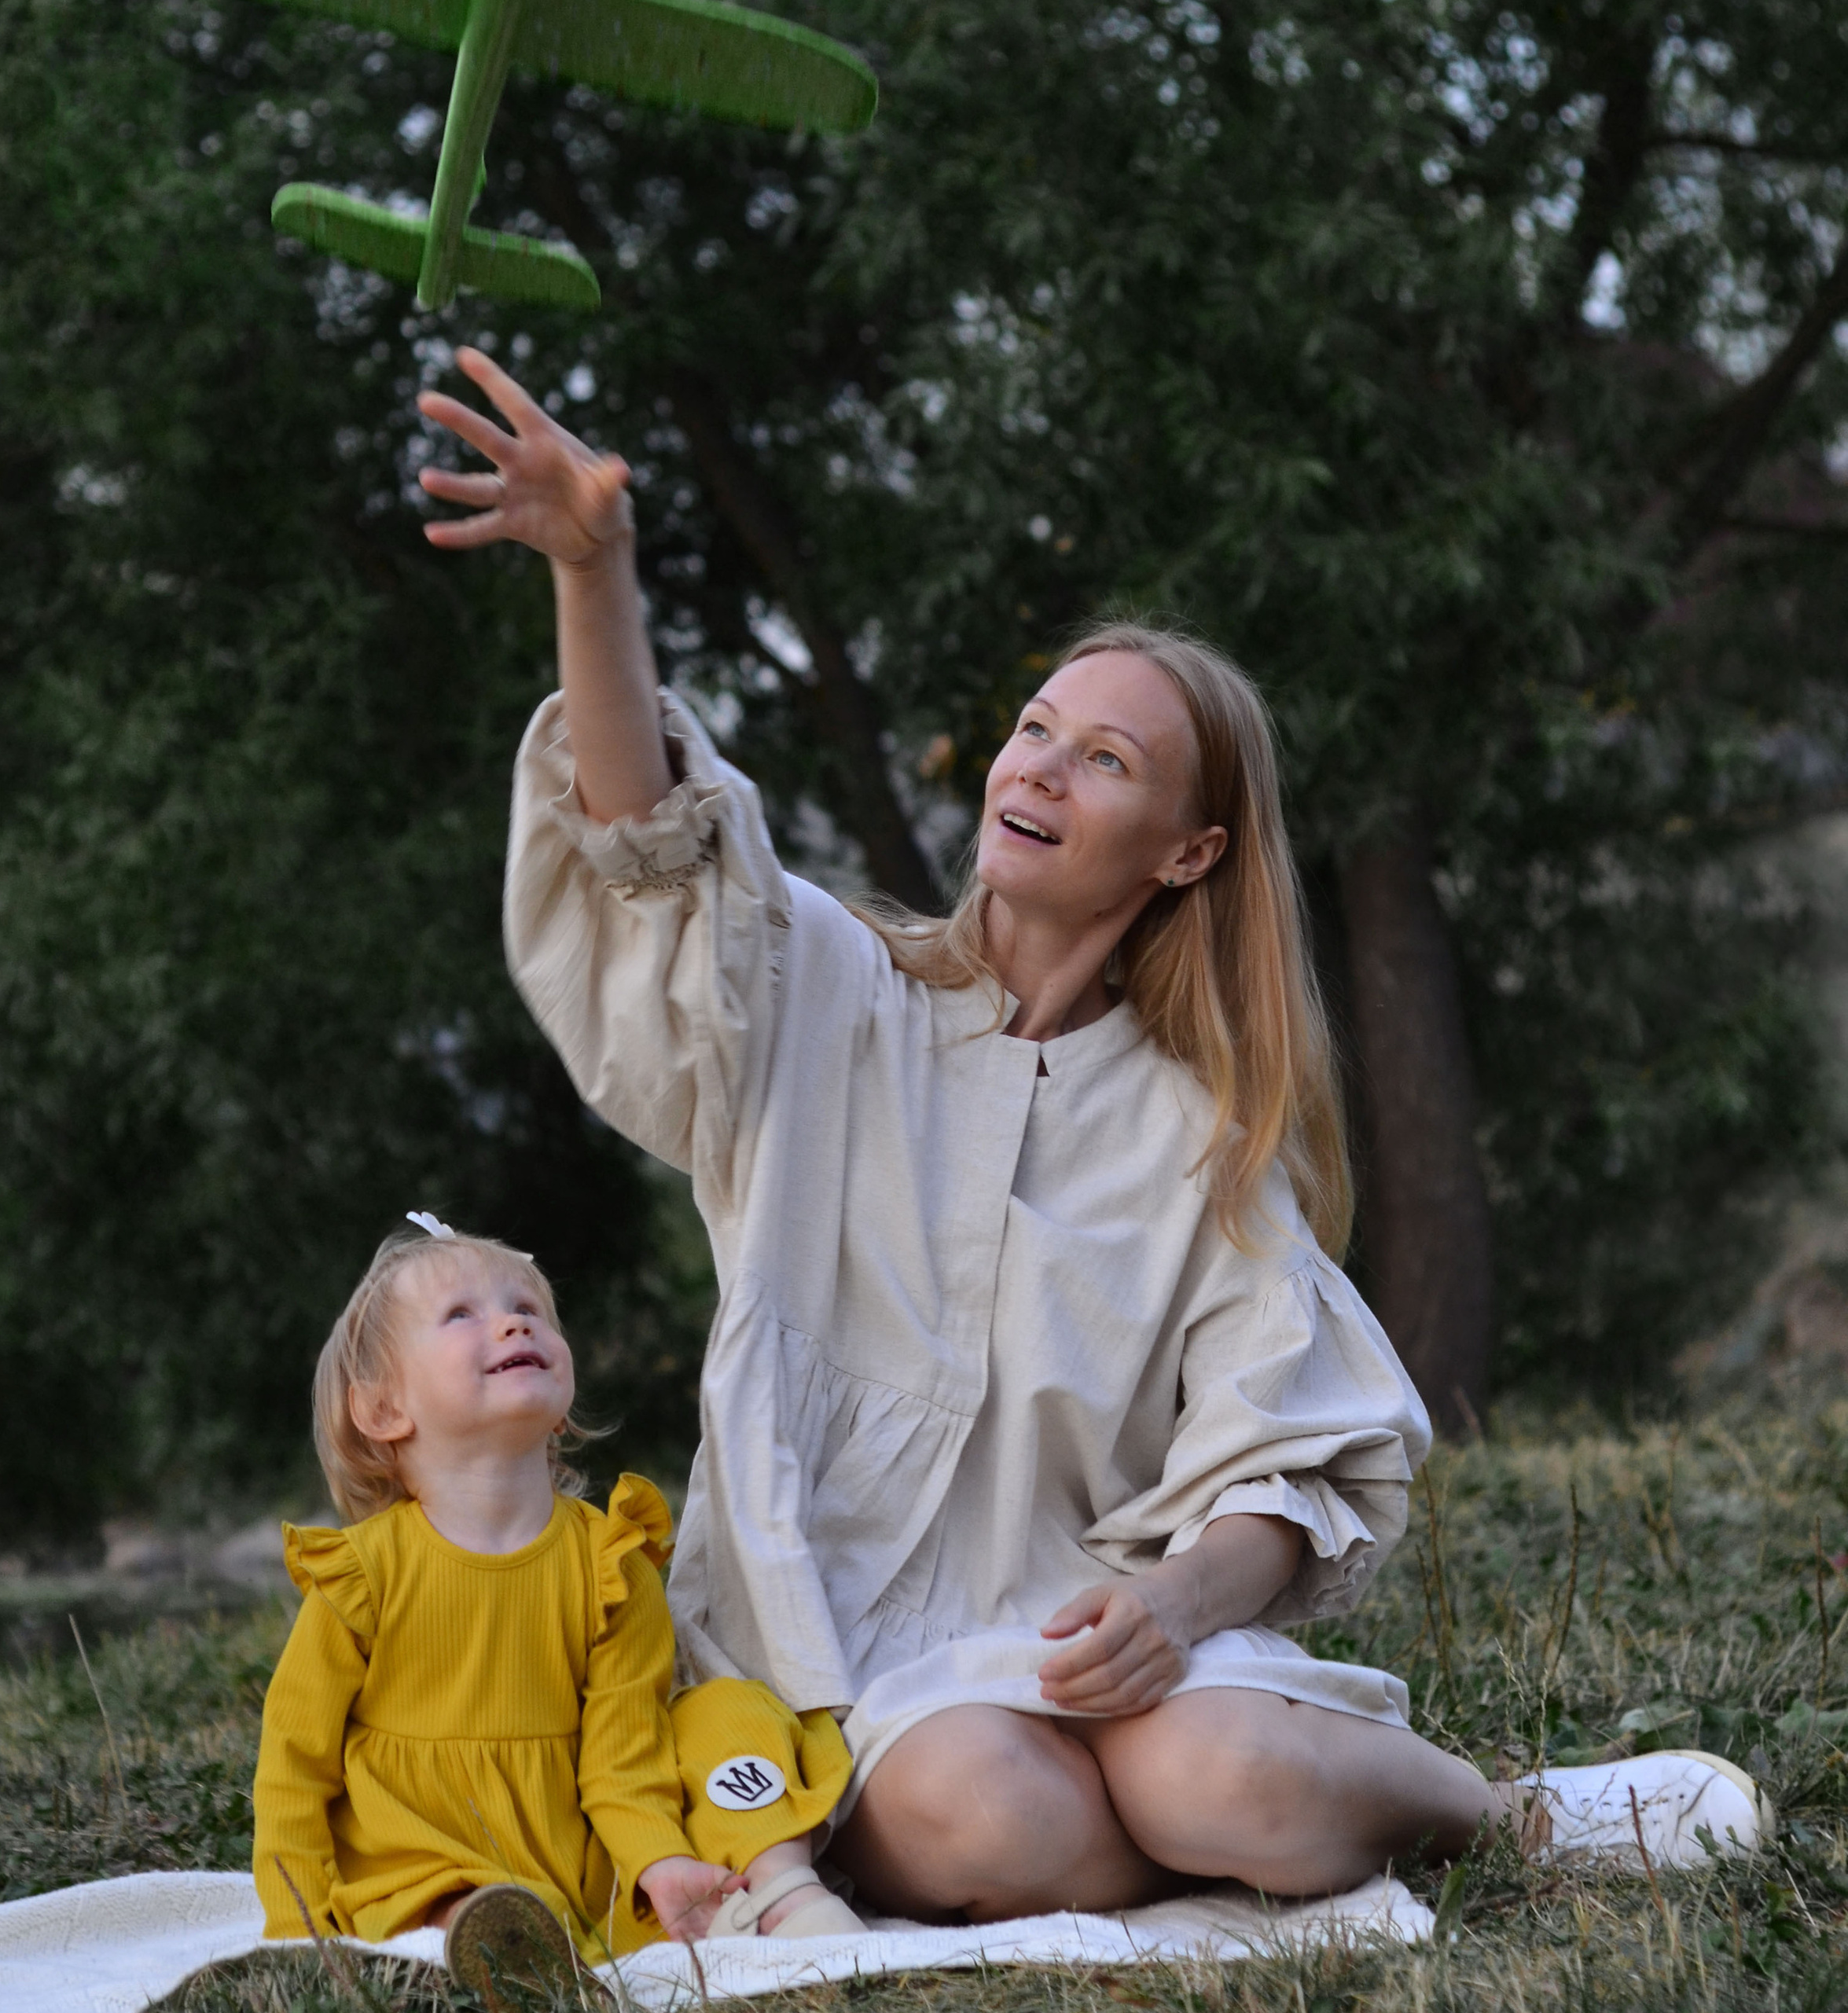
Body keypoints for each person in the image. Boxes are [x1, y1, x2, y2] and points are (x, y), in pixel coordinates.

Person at [415, 351, 1769, 1916]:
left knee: (1212, 1769)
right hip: (835, 1668)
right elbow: (647, 846)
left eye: (1102, 759)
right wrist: (595, 569)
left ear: (1187, 850)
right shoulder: (827, 1000)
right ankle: (1245, 1833)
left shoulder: (1205, 1132)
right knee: (985, 1820)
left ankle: (1499, 1816)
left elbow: (1290, 1459)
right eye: (1035, 726)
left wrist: (1174, 1611)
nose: (1035, 767)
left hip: (1111, 1650)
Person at [252, 1217, 859, 1986]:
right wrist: (293, 1929)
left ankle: (777, 1892)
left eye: (529, 1309)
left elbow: (622, 1752)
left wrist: (657, 1859)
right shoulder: (362, 1574)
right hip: (427, 1844)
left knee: (726, 1710)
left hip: (585, 1842)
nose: (513, 1320)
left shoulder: (611, 1560)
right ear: (382, 1411)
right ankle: (485, 1946)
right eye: (461, 1314)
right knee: (436, 1895)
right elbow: (294, 1767)